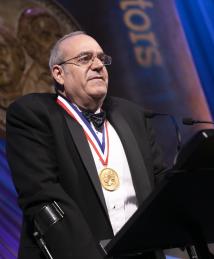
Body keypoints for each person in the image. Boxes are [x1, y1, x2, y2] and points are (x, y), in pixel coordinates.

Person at [6, 31, 165, 259]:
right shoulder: (33, 115)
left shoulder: (132, 114)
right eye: (84, 59)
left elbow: (159, 184)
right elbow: (41, 194)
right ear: (59, 74)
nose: (98, 65)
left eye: (102, 58)